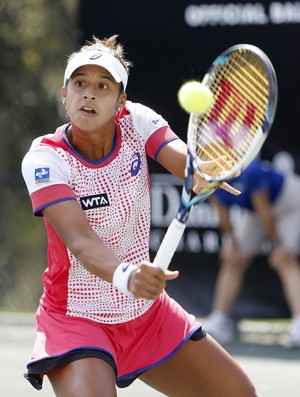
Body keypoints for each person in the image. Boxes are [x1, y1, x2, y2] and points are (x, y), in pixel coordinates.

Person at [21, 34, 259, 397]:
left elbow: (186, 163)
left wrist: (206, 169)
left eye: (103, 86)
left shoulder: (137, 121)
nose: (89, 93)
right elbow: (80, 240)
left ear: (121, 102)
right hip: (78, 317)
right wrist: (128, 275)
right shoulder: (45, 159)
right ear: (64, 93)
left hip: (148, 314)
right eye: (80, 83)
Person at [204, 158, 300, 348]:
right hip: (258, 211)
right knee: (233, 260)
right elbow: (224, 217)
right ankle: (218, 321)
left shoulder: (251, 171)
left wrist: (277, 245)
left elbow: (266, 213)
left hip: (290, 203)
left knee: (284, 260)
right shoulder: (207, 179)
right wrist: (232, 244)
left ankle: (299, 323)